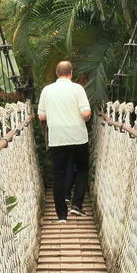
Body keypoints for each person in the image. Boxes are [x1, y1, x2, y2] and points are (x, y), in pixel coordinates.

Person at [37, 60, 92, 222]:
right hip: (78, 137)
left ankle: (61, 215)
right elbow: (85, 113)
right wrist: (87, 116)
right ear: (71, 73)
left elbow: (41, 116)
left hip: (57, 138)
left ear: (56, 73)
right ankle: (77, 206)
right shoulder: (78, 89)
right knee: (82, 169)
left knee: (58, 175)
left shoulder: (47, 90)